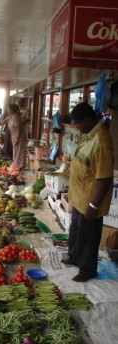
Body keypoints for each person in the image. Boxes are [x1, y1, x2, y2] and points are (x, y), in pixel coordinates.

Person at [62, 102, 114, 282]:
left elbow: (105, 177)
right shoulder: (89, 133)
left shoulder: (101, 140)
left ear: (87, 120)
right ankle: (74, 257)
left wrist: (94, 204)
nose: (76, 127)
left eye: (77, 123)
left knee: (88, 236)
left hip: (90, 199)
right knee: (75, 229)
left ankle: (87, 269)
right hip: (79, 195)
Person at [0, 103, 26, 169]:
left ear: (12, 110)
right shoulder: (9, 116)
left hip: (19, 136)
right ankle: (16, 165)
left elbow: (19, 129)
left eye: (8, 109)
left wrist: (18, 138)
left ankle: (19, 165)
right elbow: (1, 123)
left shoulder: (15, 116)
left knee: (19, 151)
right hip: (14, 135)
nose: (7, 110)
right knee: (15, 150)